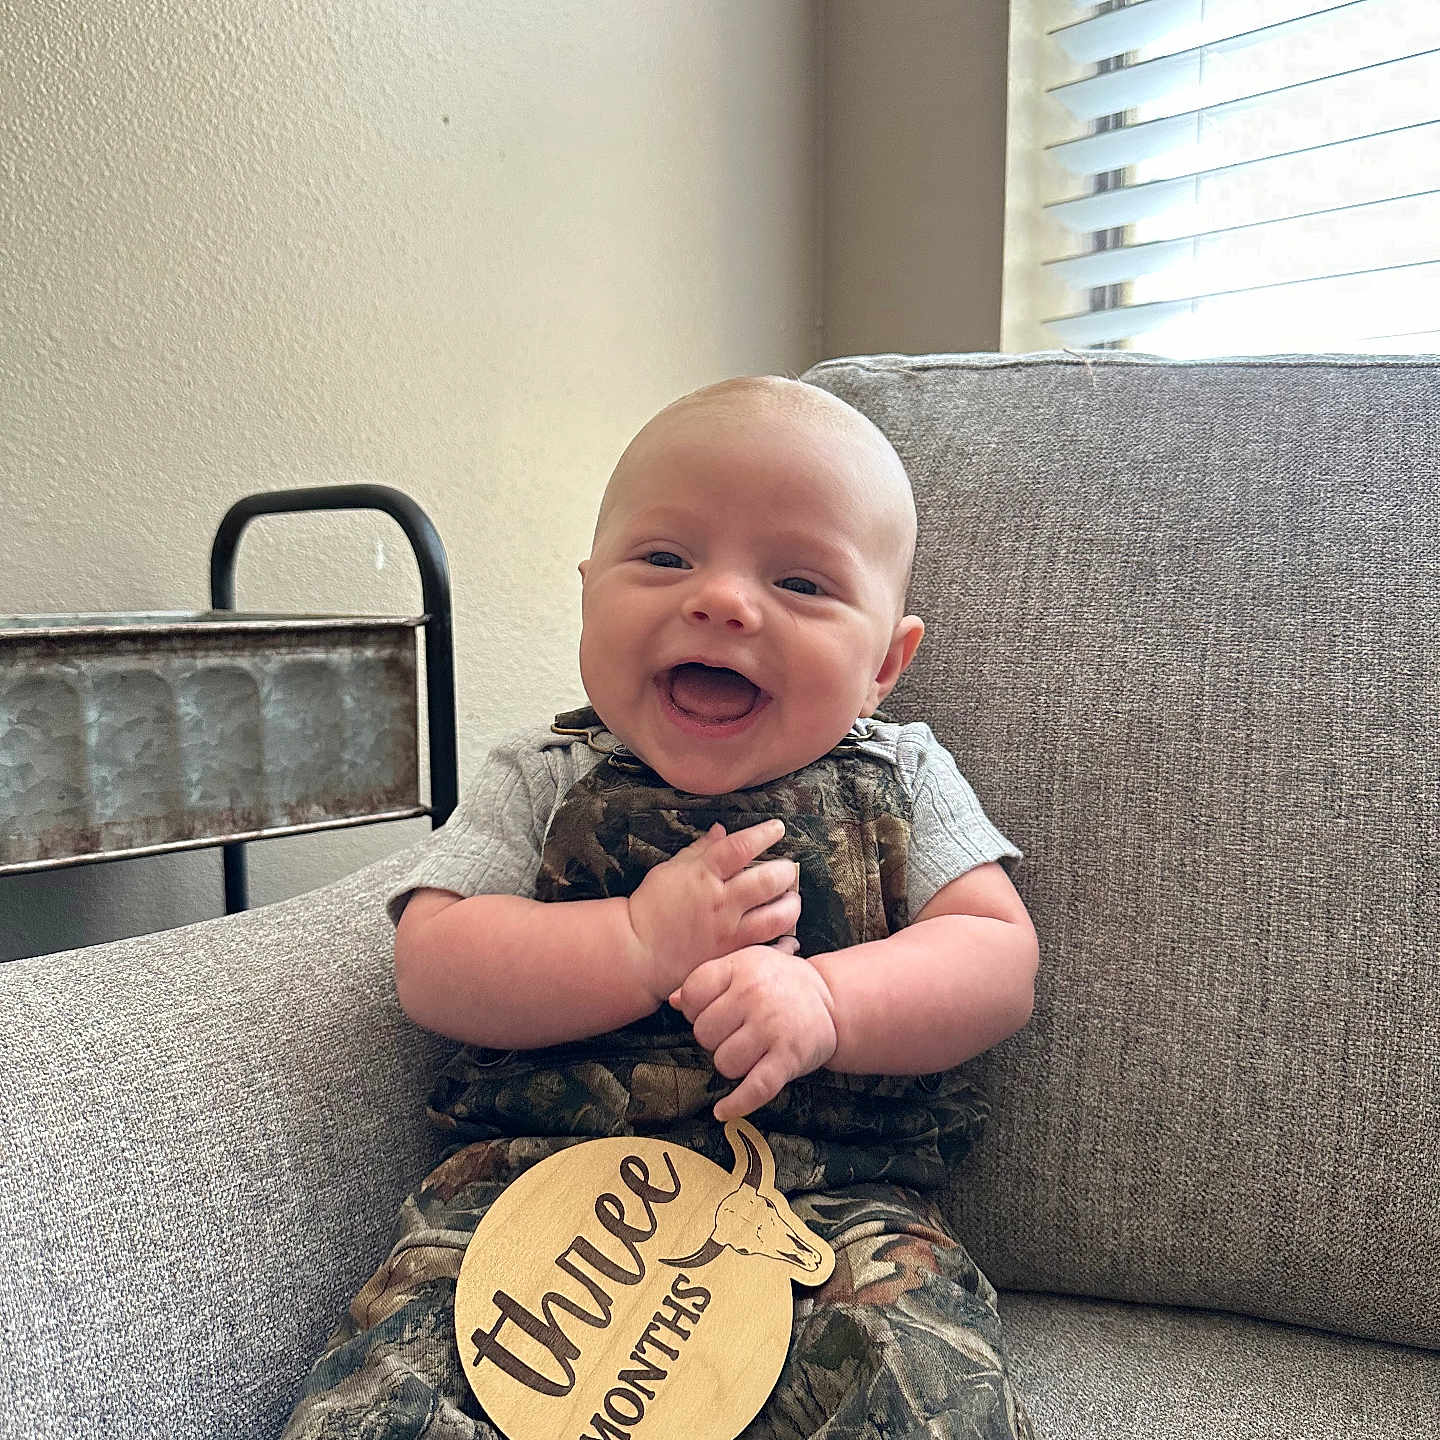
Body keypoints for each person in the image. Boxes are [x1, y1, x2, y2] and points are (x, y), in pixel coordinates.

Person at [282, 377, 1039, 1439]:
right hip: (532, 1199)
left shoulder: (905, 775)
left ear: (884, 663)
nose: (723, 601)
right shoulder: (541, 773)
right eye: (667, 558)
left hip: (826, 1213)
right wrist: (636, 941)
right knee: (392, 1391)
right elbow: (434, 963)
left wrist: (827, 999)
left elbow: (997, 956)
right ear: (589, 595)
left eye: (801, 581)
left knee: (921, 1389)